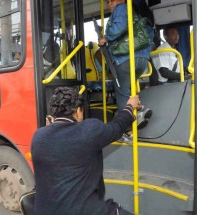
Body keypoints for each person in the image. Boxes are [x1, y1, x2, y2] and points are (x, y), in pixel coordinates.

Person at [31, 86, 141, 215]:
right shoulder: (89, 130)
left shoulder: (38, 136)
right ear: (78, 111)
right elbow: (118, 126)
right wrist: (129, 106)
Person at [98, 0, 154, 132]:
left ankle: (127, 129)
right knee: (130, 88)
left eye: (113, 0)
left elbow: (120, 27)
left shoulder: (122, 7)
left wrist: (105, 38)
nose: (110, 4)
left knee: (122, 94)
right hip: (141, 59)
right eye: (108, 2)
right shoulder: (136, 12)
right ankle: (140, 109)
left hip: (125, 59)